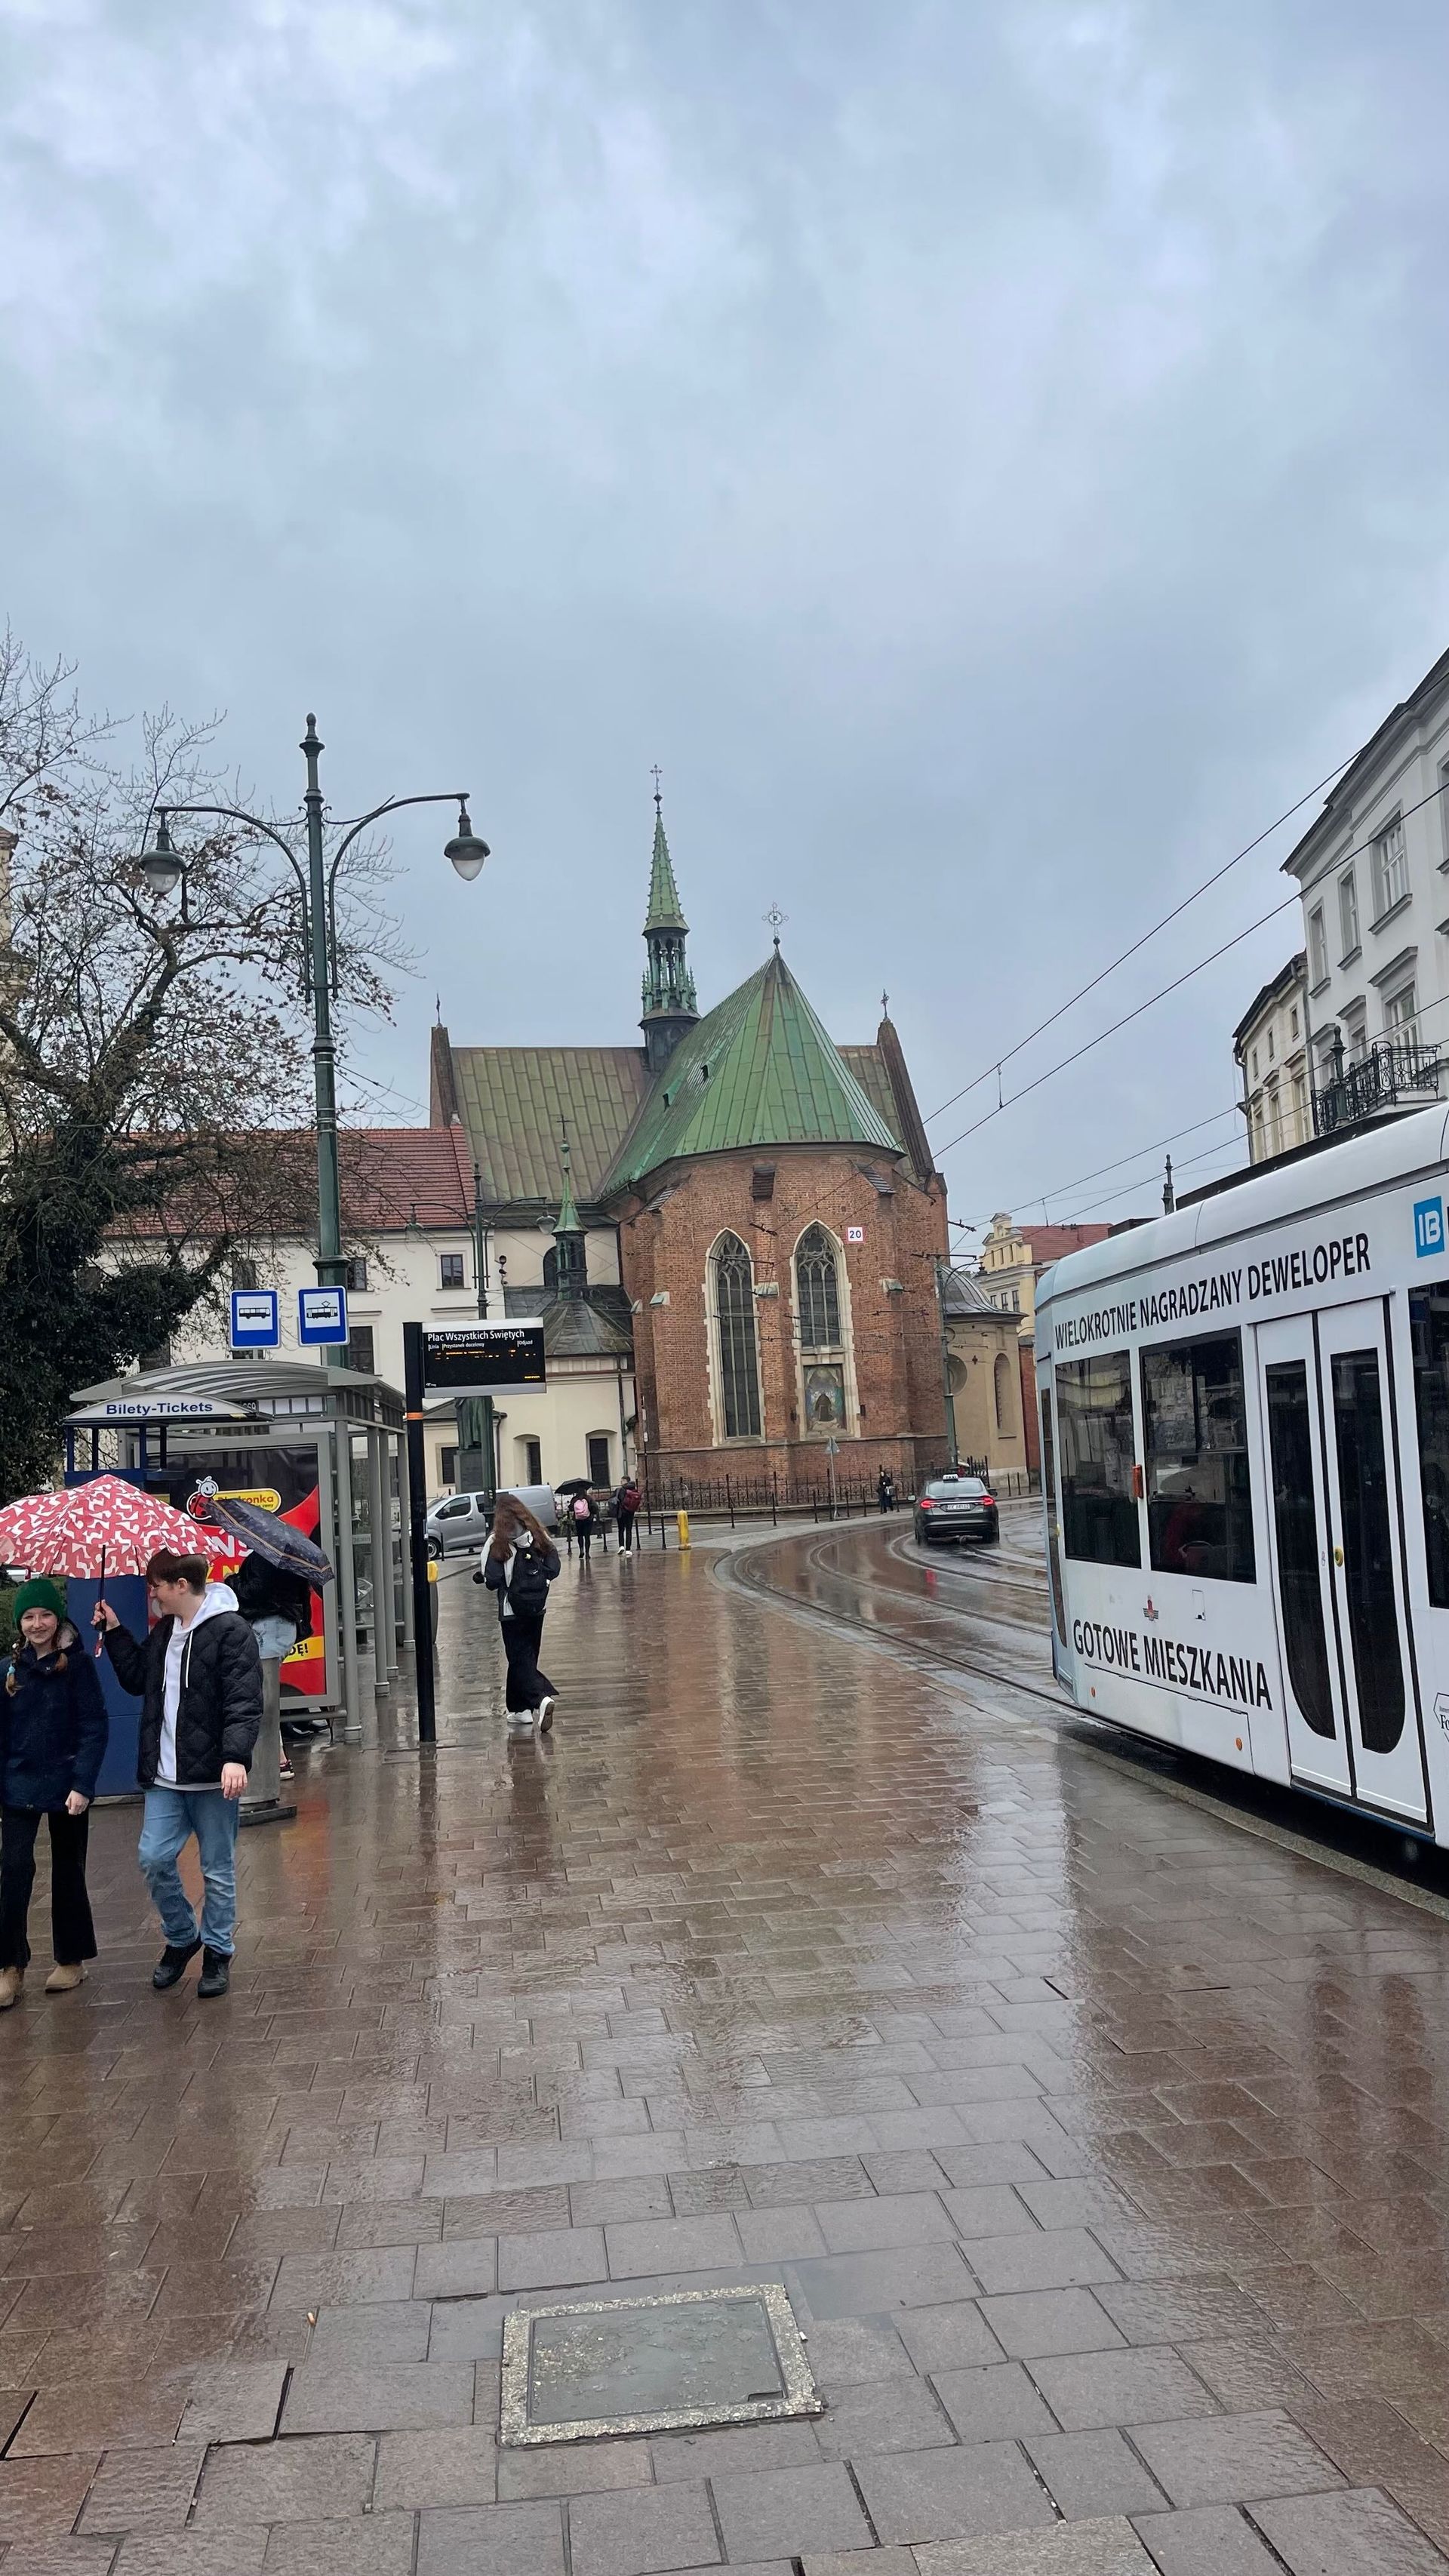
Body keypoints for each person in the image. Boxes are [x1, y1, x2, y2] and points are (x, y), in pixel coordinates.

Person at [94, 1548, 261, 1999]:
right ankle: (183, 1935)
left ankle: (218, 1951)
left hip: (211, 1778)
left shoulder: (232, 1632)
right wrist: (113, 1632)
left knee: (218, 1870)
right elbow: (135, 1679)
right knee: (153, 1858)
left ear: (180, 1586)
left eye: (157, 1586)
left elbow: (244, 1703)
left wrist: (234, 1757)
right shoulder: (167, 1630)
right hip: (165, 1777)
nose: (153, 1594)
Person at [0, 1578, 108, 2008]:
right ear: (19, 1623)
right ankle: (10, 1966)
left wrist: (83, 1783)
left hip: (68, 1789)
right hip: (17, 1784)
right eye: (29, 1616)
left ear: (58, 1619)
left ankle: (72, 1958)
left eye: (45, 1614)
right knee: (13, 1873)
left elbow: (94, 1727)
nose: (38, 1623)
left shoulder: (77, 1666)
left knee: (68, 1872)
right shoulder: (9, 1670)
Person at [483, 1497, 561, 1737]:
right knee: (526, 1658)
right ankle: (519, 1710)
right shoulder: (538, 1534)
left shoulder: (497, 1542)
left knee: (518, 1660)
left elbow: (492, 1580)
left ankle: (540, 1699)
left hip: (511, 1611)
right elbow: (554, 1567)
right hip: (537, 1609)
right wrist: (541, 1582)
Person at [614, 1478, 641, 1556]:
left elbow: (616, 1500)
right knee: (629, 1530)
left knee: (621, 1530)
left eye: (622, 1481)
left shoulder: (621, 1490)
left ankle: (621, 1546)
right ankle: (628, 1549)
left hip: (621, 1513)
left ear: (625, 1481)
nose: (621, 1482)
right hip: (630, 1512)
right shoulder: (634, 1489)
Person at [571, 1490, 595, 1562]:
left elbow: (571, 1508)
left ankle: (581, 1551)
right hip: (588, 1519)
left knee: (580, 1536)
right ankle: (587, 1553)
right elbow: (594, 1508)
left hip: (578, 1520)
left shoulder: (575, 1499)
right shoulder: (589, 1498)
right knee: (587, 1537)